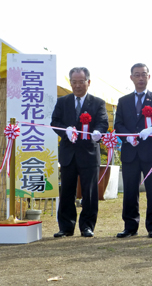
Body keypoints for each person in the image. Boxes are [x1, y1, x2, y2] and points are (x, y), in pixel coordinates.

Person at [51, 67, 108, 238]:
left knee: (89, 192)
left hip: (89, 153)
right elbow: (55, 121)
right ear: (70, 83)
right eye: (74, 82)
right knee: (67, 191)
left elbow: (103, 122)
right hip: (68, 153)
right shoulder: (63, 102)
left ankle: (87, 226)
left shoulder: (98, 102)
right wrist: (64, 130)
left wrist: (98, 132)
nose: (77, 85)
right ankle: (66, 228)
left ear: (88, 82)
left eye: (81, 82)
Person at [114, 63, 152, 238]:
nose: (140, 78)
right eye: (137, 75)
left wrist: (151, 129)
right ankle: (130, 226)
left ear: (149, 77)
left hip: (151, 151)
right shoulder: (123, 101)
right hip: (130, 151)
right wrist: (127, 137)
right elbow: (118, 124)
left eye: (144, 74)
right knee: (130, 190)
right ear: (131, 78)